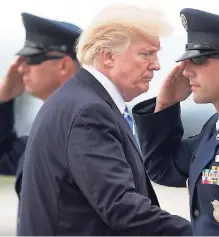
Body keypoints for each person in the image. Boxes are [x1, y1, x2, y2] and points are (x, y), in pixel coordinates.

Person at [17, 4, 192, 236]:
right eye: (146, 54)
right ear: (108, 57)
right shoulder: (89, 112)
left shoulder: (79, 100)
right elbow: (120, 206)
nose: (157, 64)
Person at [132, 8, 219, 236]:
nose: (186, 71)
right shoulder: (218, 127)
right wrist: (165, 106)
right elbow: (163, 168)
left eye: (198, 59)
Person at [0, 13, 81, 198]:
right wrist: (4, 99)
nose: (20, 68)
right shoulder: (53, 129)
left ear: (63, 65)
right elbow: (3, 156)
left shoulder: (82, 128)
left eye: (32, 58)